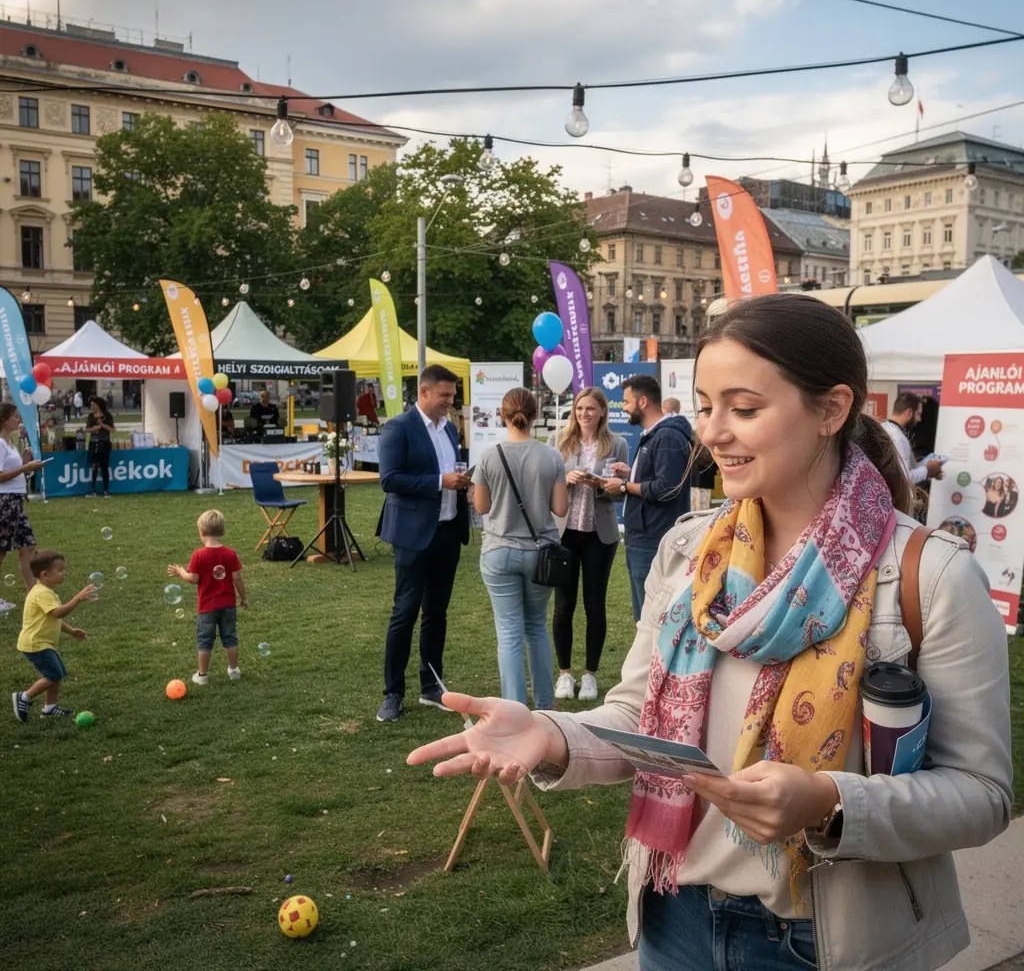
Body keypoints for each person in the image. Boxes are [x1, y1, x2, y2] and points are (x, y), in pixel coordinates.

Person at [409, 292, 1012, 971]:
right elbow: (640, 720)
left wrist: (831, 803)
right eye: (705, 404)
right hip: (677, 919)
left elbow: (982, 794)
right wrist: (550, 735)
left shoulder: (927, 576)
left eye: (745, 408)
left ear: (832, 410)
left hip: (824, 941)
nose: (713, 432)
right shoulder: (693, 554)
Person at [376, 364, 470, 723]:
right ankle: (393, 693)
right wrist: (439, 482)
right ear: (425, 393)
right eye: (444, 395)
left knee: (437, 614)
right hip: (413, 536)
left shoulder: (448, 430)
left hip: (447, 532)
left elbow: (448, 473)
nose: (450, 401)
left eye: (452, 395)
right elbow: (389, 479)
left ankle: (431, 687)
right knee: (405, 612)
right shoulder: (399, 427)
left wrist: (460, 482)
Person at [472, 388, 567, 709]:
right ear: (536, 415)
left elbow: (481, 507)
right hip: (541, 553)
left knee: (509, 632)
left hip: (499, 551)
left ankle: (513, 709)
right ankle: (544, 706)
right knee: (536, 627)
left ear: (503, 415)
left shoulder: (488, 456)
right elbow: (560, 508)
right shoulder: (551, 456)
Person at [552, 387, 627, 702]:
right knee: (563, 605)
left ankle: (591, 675)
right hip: (565, 533)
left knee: (594, 605)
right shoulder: (559, 442)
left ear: (602, 412)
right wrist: (564, 480)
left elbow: (621, 491)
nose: (585, 414)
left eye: (591, 409)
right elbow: (545, 482)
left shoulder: (617, 443)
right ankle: (565, 674)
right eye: (580, 408)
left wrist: (601, 485)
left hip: (600, 535)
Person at [601, 374, 691, 622]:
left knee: (650, 620)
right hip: (643, 535)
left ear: (643, 402)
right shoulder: (656, 435)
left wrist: (624, 486)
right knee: (644, 617)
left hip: (653, 538)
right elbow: (660, 478)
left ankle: (653, 662)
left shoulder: (667, 436)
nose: (624, 407)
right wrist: (633, 474)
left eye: (627, 401)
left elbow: (666, 489)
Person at [12, 551, 98, 722]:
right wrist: (77, 599)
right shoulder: (42, 593)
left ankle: (50, 708)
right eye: (60, 570)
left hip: (42, 643)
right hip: (36, 644)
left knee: (56, 674)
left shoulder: (47, 591)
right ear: (45, 574)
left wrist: (72, 631)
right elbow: (58, 613)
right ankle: (24, 697)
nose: (64, 573)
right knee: (53, 675)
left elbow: (54, 619)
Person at [167, 509, 248, 685]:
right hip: (228, 605)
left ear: (201, 532)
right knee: (231, 638)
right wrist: (244, 598)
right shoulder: (230, 553)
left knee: (204, 641)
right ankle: (234, 670)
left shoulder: (199, 555)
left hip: (207, 607)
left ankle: (202, 675)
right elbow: (237, 578)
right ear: (223, 532)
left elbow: (193, 579)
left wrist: (181, 572)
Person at [0, 403, 44, 603]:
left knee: (27, 545)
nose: (19, 420)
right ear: (4, 419)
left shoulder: (9, 442)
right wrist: (25, 466)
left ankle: (32, 593)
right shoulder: (0, 444)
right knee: (1, 551)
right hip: (5, 501)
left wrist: (25, 464)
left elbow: (14, 472)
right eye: (15, 417)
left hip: (17, 499)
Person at [882, 392, 944, 487]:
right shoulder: (899, 438)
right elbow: (904, 479)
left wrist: (927, 472)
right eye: (918, 414)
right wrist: (927, 470)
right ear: (909, 413)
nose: (919, 419)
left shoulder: (883, 428)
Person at [85, 396, 115, 498]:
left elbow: (112, 429)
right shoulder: (90, 416)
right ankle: (93, 489)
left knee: (104, 467)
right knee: (94, 466)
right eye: (91, 405)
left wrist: (102, 425)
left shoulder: (107, 416)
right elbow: (87, 429)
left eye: (94, 405)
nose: (92, 407)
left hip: (104, 443)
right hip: (93, 443)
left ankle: (106, 490)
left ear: (98, 405)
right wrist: (93, 429)